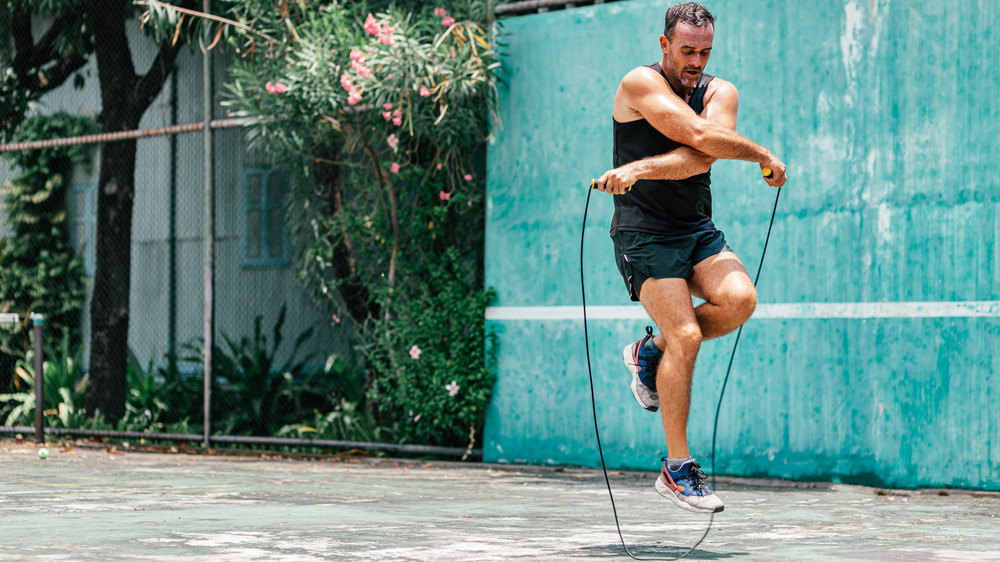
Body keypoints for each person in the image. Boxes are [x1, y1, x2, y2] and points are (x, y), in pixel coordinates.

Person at [594, 2, 788, 514]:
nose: (696, 61)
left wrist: (643, 167)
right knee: (687, 335)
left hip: (696, 229)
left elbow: (704, 150)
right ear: (664, 45)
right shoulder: (640, 83)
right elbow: (703, 138)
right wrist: (762, 154)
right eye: (686, 51)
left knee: (740, 300)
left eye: (704, 51)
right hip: (643, 233)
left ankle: (647, 352)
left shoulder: (720, 91)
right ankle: (677, 469)